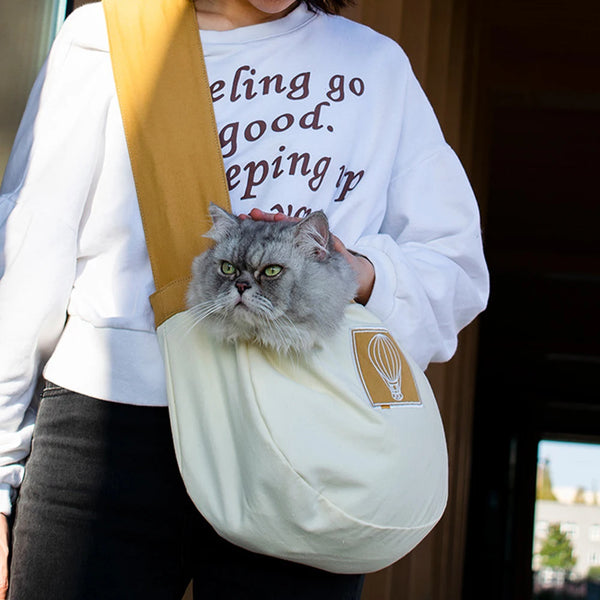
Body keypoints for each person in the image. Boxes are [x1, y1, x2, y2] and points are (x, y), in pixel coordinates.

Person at [0, 0, 489, 598]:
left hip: (303, 444)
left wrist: (352, 269)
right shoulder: (104, 36)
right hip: (104, 436)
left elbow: (454, 270)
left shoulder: (376, 68)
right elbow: (29, 261)